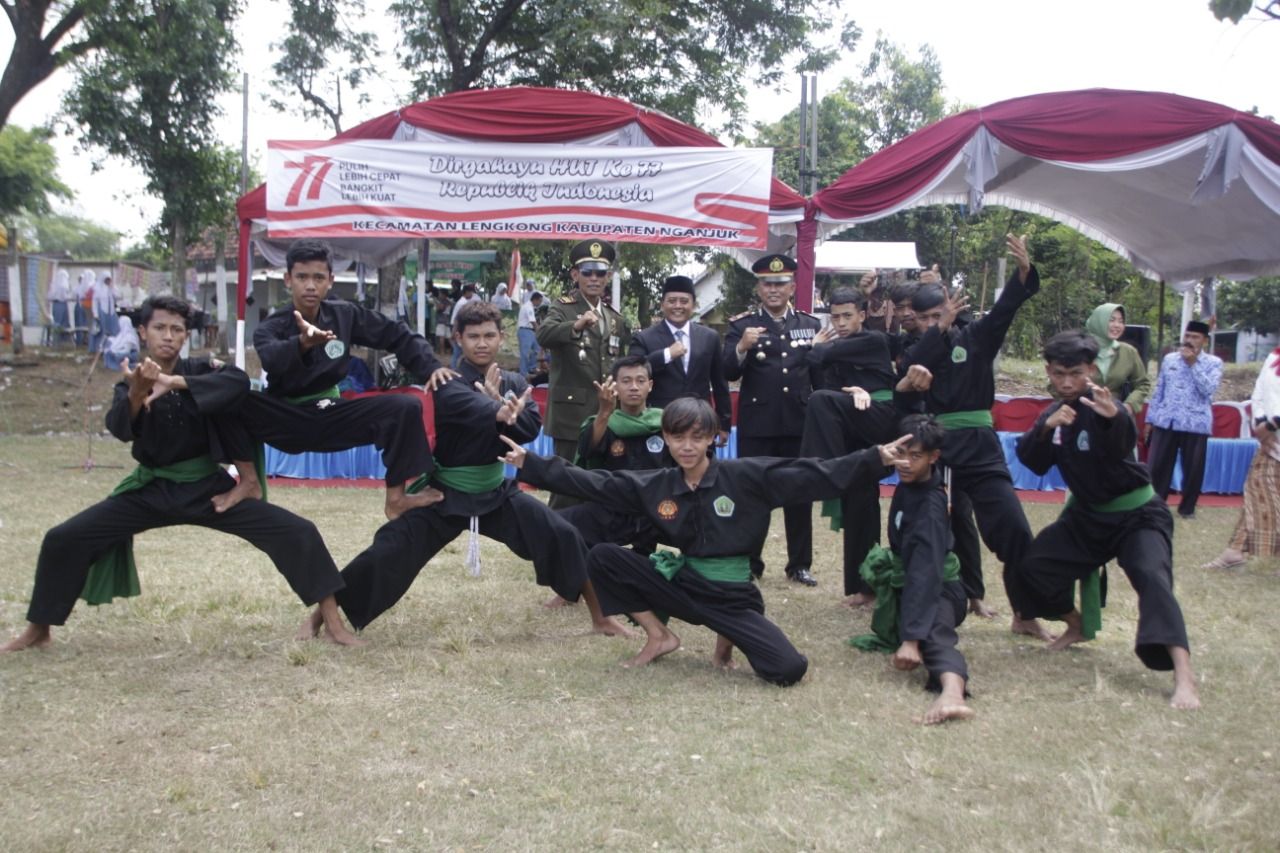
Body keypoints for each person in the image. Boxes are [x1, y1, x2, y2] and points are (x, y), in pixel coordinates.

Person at [0, 295, 360, 654]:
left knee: (298, 531)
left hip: (210, 491)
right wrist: (137, 395)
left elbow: (237, 382)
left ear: (186, 335)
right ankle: (39, 629)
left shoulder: (202, 370)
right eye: (159, 328)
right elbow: (121, 429)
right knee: (64, 538)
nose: (168, 336)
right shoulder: (130, 382)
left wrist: (175, 383)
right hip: (151, 489)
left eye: (176, 329)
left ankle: (332, 623)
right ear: (143, 332)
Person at [502, 397, 911, 685]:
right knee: (603, 557)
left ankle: (723, 651)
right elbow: (596, 482)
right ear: (666, 436)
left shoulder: (747, 477)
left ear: (714, 437)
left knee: (787, 670)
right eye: (678, 438)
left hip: (733, 599)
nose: (686, 446)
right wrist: (531, 463)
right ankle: (660, 635)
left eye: (697, 437)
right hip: (684, 586)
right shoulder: (658, 483)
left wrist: (875, 458)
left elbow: (815, 473)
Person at [302, 300, 630, 638]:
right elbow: (464, 404)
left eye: (489, 335)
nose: (482, 343)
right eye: (474, 336)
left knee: (562, 534)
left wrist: (508, 408)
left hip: (495, 492)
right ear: (458, 338)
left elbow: (529, 425)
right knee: (388, 551)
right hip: (444, 495)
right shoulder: (445, 380)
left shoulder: (514, 381)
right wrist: (497, 409)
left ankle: (601, 617)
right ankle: (318, 619)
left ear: (501, 337)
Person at [1014, 331, 1199, 710]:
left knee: (1151, 577)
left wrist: (1114, 415)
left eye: (1076, 373)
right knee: (1032, 566)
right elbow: (1033, 460)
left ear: (1092, 370)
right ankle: (1076, 624)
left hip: (1137, 516)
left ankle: (1184, 676)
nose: (1067, 382)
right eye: (1059, 374)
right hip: (1088, 518)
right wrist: (1046, 429)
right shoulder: (1054, 413)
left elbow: (1121, 443)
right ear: (1048, 371)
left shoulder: (1104, 405)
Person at [898, 235, 1048, 639]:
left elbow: (1005, 311)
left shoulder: (975, 338)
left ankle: (1025, 611)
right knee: (930, 524)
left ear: (950, 309)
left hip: (980, 445)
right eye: (924, 318)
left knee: (1012, 527)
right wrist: (937, 332)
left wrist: (1021, 274)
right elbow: (909, 372)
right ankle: (923, 600)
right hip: (935, 444)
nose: (932, 323)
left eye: (938, 316)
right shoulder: (915, 349)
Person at [240, 240, 453, 520]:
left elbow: (395, 334)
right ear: (288, 280)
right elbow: (271, 358)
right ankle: (247, 482)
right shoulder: (271, 326)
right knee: (231, 395)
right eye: (302, 277)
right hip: (286, 416)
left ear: (330, 280)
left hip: (331, 412)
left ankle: (397, 499)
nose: (310, 286)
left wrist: (430, 367)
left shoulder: (344, 315)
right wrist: (302, 343)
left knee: (405, 406)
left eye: (318, 277)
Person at [849, 415, 974, 725]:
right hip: (916, 577)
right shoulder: (910, 484)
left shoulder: (930, 507)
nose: (904, 463)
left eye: (915, 456)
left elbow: (925, 573)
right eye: (901, 453)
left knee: (934, 636)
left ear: (934, 457)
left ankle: (952, 694)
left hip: (940, 585)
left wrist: (911, 640)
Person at [722, 254, 822, 585]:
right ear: (758, 287)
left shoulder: (811, 325)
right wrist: (741, 348)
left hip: (799, 421)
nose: (774, 289)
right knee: (753, 494)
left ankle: (799, 565)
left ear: (792, 286)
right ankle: (751, 563)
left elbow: (821, 375)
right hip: (758, 424)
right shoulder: (741, 325)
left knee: (800, 494)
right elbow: (726, 371)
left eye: (780, 283)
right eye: (767, 283)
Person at [798, 287, 899, 606]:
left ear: (862, 315)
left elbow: (817, 357)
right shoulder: (840, 346)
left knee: (820, 400)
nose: (840, 323)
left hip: (880, 416)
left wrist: (815, 346)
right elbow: (820, 376)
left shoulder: (872, 340)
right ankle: (863, 589)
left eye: (847, 316)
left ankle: (820, 468)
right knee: (861, 502)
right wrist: (850, 391)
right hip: (854, 420)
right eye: (835, 317)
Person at [535, 240, 630, 507]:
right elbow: (543, 335)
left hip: (607, 414)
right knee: (566, 487)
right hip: (571, 414)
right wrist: (576, 324)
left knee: (601, 483)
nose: (594, 278)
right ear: (575, 275)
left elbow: (620, 362)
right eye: (587, 272)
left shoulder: (614, 318)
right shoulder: (563, 306)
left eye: (600, 273)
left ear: (608, 277)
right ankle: (557, 543)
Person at [628, 274, 732, 443]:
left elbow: (720, 383)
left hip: (700, 421)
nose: (678, 306)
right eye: (672, 301)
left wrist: (724, 423)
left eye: (684, 301)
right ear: (662, 305)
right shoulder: (644, 338)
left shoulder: (709, 337)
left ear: (694, 305)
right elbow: (634, 371)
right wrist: (667, 354)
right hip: (658, 422)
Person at [1203, 349, 1280, 569]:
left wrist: (1272, 424)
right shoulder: (1274, 357)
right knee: (1258, 490)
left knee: (1261, 492)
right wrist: (1261, 424)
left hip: (1273, 433)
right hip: (1271, 443)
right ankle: (1233, 553)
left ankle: (1233, 553)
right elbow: (1260, 393)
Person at [1144, 320, 1222, 520]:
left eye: (1195, 337)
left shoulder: (1213, 363)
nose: (1189, 341)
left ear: (1204, 340)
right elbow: (1159, 390)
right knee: (1158, 466)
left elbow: (1209, 390)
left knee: (1193, 469)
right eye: (1187, 336)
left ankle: (1187, 509)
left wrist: (1193, 364)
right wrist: (1150, 419)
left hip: (1195, 423)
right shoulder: (1170, 359)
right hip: (1166, 420)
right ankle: (1155, 506)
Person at [1078, 302, 1150, 417]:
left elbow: (1142, 384)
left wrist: (1128, 407)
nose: (1117, 325)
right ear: (1098, 322)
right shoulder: (1079, 349)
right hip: (1082, 414)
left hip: (1116, 416)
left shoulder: (1128, 352)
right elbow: (1058, 382)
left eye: (1121, 321)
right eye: (1111, 320)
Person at [449, 282, 480, 368]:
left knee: (459, 351)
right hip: (457, 327)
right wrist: (453, 333)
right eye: (471, 292)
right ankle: (454, 369)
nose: (472, 294)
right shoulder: (462, 303)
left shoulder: (463, 301)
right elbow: (457, 320)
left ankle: (456, 368)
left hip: (456, 326)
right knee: (458, 352)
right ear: (466, 292)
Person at [89, 274, 119, 354]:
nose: (108, 281)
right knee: (102, 330)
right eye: (107, 279)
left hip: (111, 312)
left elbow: (117, 296)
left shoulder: (112, 288)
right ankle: (99, 348)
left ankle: (112, 347)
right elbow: (94, 302)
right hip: (102, 311)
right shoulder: (98, 289)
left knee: (113, 330)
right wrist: (95, 314)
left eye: (109, 279)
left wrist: (112, 287)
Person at [517, 290, 544, 377]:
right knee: (525, 353)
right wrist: (540, 331)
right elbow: (532, 321)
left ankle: (532, 368)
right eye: (539, 301)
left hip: (530, 331)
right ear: (535, 300)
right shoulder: (528, 307)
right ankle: (523, 373)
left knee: (537, 349)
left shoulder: (530, 307)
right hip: (525, 331)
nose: (540, 303)